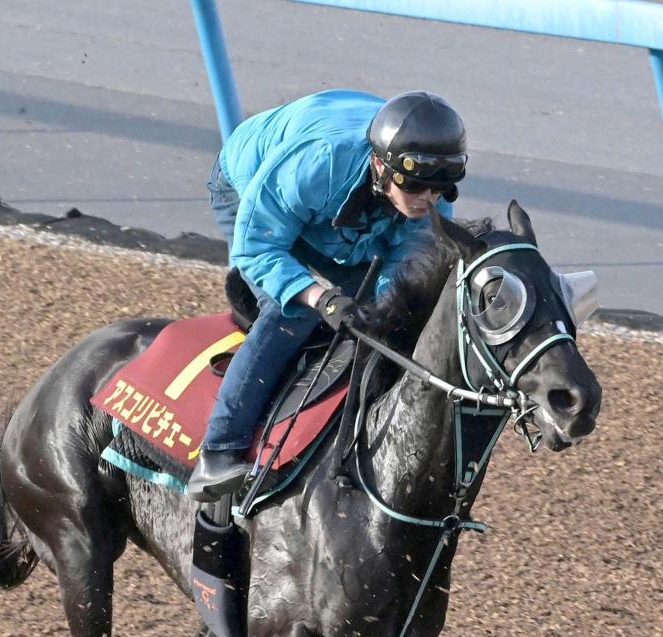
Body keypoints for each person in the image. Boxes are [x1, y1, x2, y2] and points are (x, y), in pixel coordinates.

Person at [187, 89, 468, 502]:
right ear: (380, 164)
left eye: (440, 188)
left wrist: (383, 314)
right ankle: (218, 452)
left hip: (344, 205)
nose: (428, 199)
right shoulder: (318, 163)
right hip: (252, 189)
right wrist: (321, 298)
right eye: (417, 186)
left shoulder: (431, 206)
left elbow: (400, 281)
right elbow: (258, 248)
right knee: (292, 313)